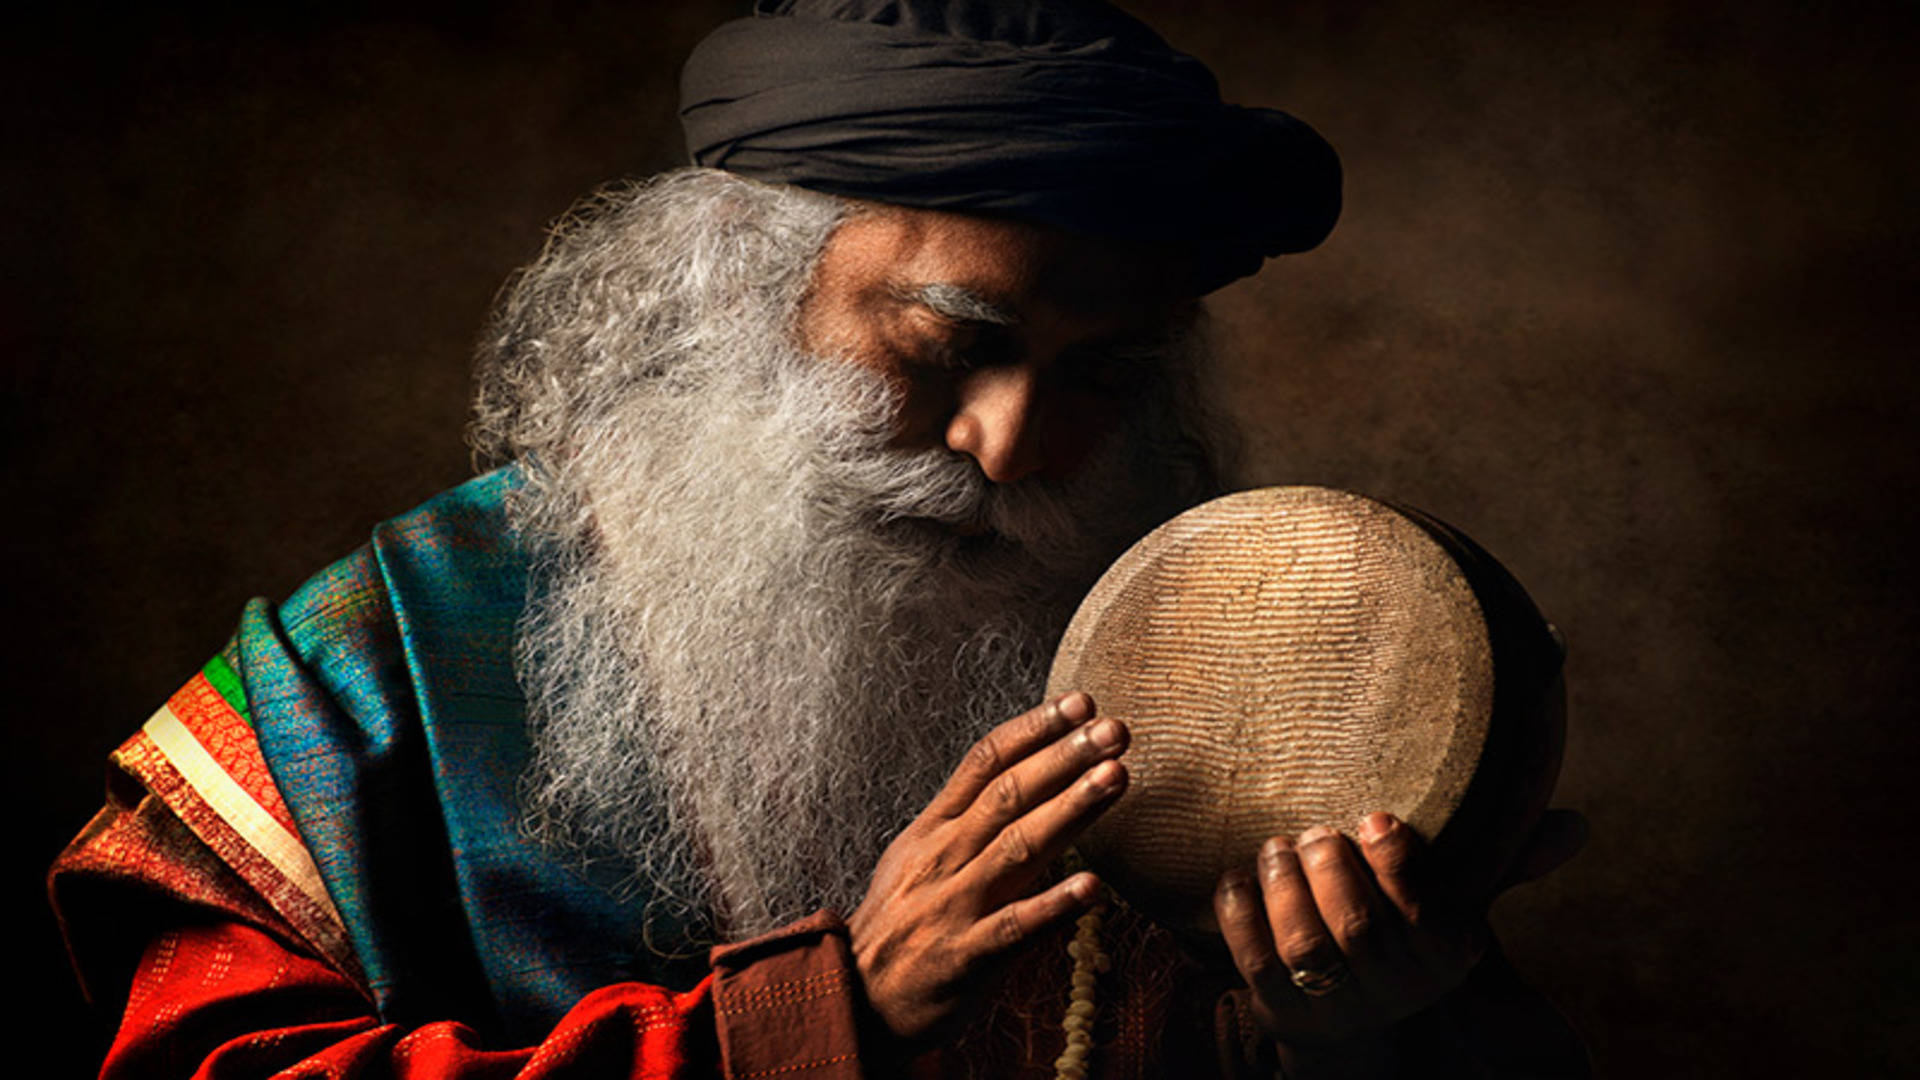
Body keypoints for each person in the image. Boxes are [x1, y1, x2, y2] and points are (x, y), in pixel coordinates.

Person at [50, 2, 1590, 1076]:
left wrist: (1369, 1037)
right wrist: (824, 1017)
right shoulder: (382, 657)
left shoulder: (1230, 669)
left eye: (1104, 375)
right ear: (742, 297)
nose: (1016, 447)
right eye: (940, 347)